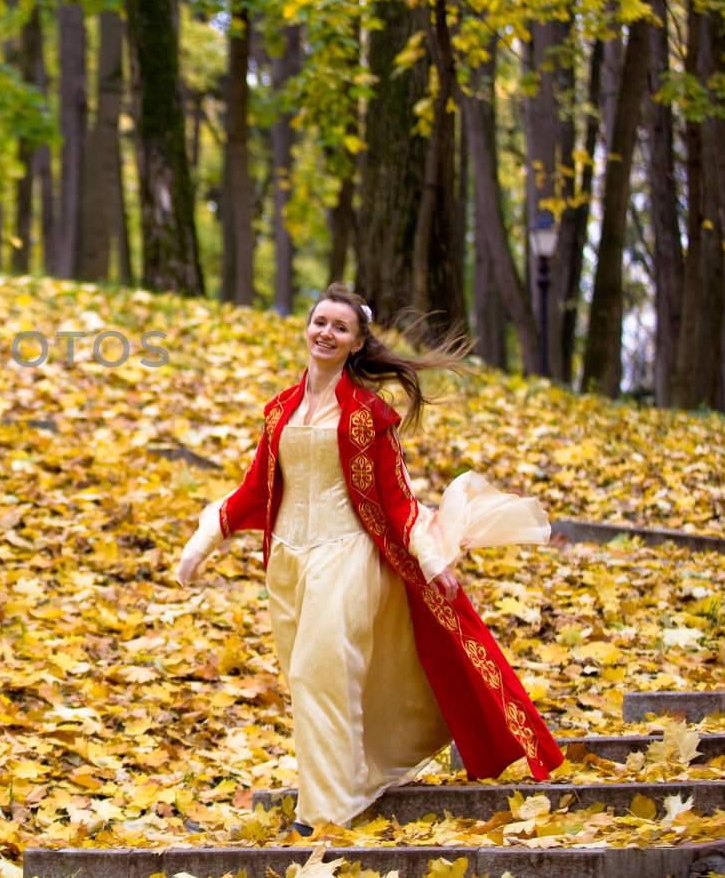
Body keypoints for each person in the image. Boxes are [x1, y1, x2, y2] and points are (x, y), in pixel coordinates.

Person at [175, 283, 565, 835]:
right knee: (305, 678)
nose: (326, 333)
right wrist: (201, 543)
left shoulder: (367, 415)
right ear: (306, 329)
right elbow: (253, 489)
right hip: (287, 561)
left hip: (347, 554)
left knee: (318, 671)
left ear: (357, 343)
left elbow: (398, 499)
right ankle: (354, 778)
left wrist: (434, 561)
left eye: (340, 327)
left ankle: (326, 814)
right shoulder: (280, 409)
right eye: (320, 322)